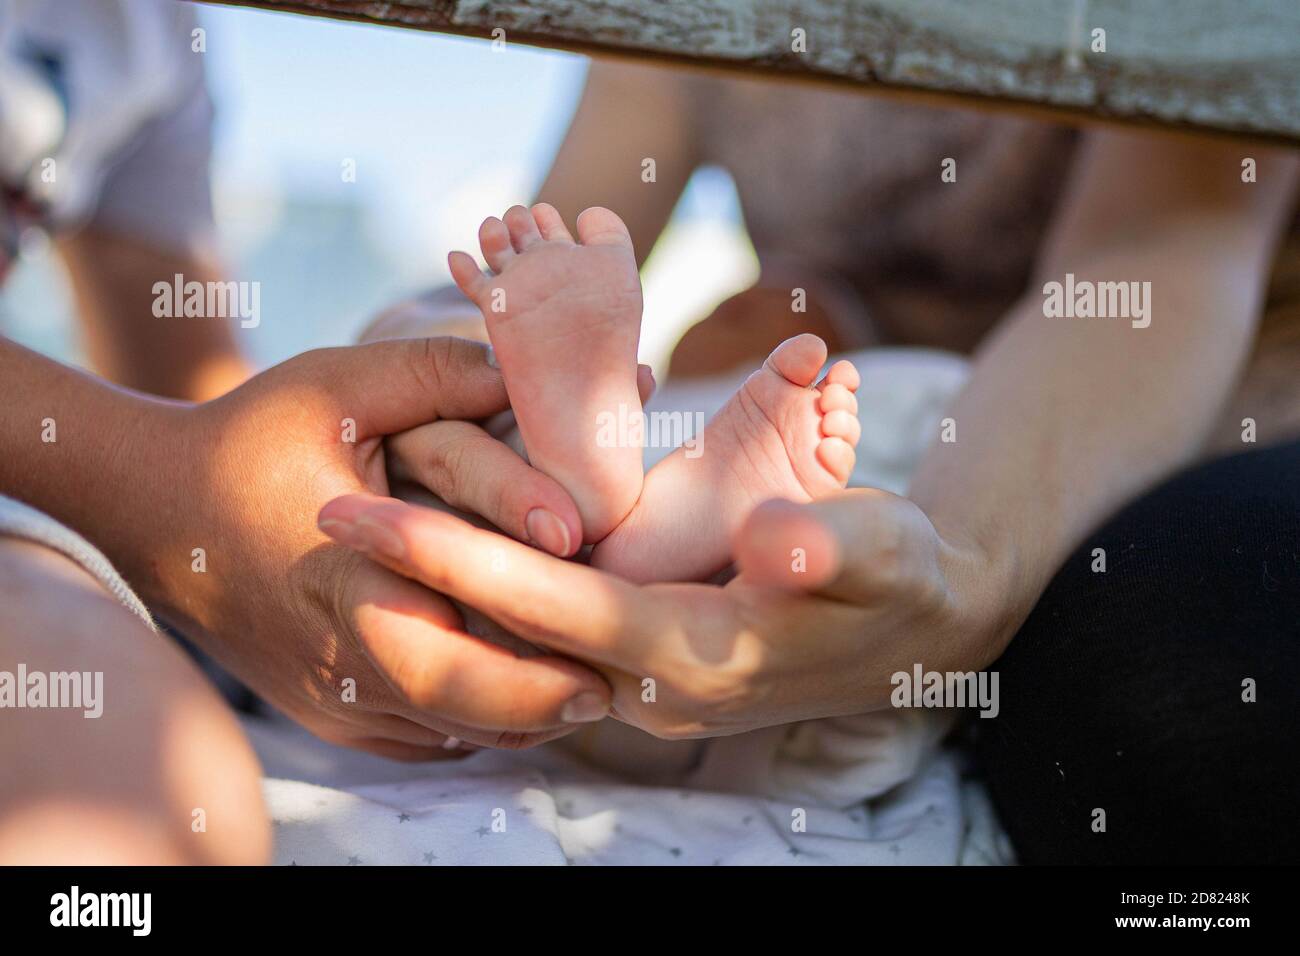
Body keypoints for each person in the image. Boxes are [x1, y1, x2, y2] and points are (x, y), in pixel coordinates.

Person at [321, 61, 1300, 862]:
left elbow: (1146, 258)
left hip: (1115, 425)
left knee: (1176, 705)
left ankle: (624, 508)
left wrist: (968, 571)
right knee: (498, 523)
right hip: (820, 447)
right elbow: (545, 244)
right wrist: (416, 362)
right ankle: (620, 506)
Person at [0, 1, 619, 864]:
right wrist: (178, 504)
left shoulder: (153, 34)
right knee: (120, 805)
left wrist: (383, 439)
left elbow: (182, 385)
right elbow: (164, 465)